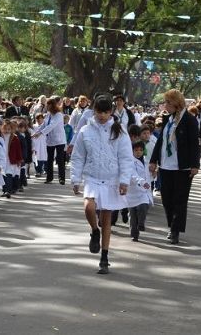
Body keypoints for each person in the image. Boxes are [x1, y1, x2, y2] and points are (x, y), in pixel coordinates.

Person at [70, 95, 133, 274]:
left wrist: (124, 180)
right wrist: (75, 178)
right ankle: (94, 230)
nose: (103, 115)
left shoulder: (119, 131)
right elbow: (78, 156)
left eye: (106, 112)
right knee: (89, 207)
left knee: (107, 217)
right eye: (99, 111)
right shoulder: (85, 131)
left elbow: (126, 157)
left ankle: (104, 257)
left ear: (111, 111)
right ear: (94, 110)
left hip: (112, 178)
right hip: (92, 176)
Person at [149, 89, 200, 245]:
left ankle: (175, 230)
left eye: (167, 102)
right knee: (166, 198)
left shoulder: (189, 120)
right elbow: (161, 142)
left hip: (182, 166)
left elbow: (195, 144)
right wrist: (153, 160)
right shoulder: (167, 119)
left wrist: (194, 164)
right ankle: (172, 224)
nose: (165, 105)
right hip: (166, 165)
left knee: (180, 199)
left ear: (175, 104)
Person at [34, 97, 66, 185]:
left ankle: (61, 178)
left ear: (53, 105)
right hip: (50, 140)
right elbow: (43, 125)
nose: (47, 106)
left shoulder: (58, 115)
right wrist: (36, 132)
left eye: (48, 105)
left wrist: (40, 133)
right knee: (49, 159)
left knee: (60, 159)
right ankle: (49, 178)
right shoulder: (48, 114)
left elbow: (52, 126)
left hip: (59, 140)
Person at [127, 141, 154, 241]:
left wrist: (153, 174)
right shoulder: (130, 162)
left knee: (144, 206)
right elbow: (133, 175)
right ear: (132, 151)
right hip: (133, 190)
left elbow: (148, 174)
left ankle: (141, 223)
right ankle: (134, 234)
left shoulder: (146, 161)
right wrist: (142, 182)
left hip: (144, 190)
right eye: (136, 150)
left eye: (141, 150)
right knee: (133, 215)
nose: (138, 152)